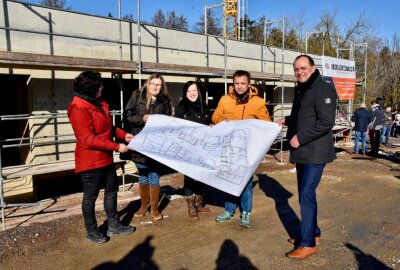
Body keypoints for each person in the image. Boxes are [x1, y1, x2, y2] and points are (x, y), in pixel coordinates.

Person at [277, 55, 337, 259]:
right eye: (296, 69)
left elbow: (326, 122)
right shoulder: (302, 87)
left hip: (316, 152)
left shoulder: (323, 87)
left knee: (306, 193)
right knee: (305, 196)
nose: (299, 72)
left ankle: (308, 243)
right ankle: (313, 233)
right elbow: (303, 113)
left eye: (303, 68)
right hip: (303, 153)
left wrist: (300, 138)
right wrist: (288, 119)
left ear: (312, 67)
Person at [67, 71, 135, 244]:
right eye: (99, 85)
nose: (102, 87)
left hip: (105, 157)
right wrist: (116, 146)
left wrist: (123, 135)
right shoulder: (78, 108)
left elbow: (108, 128)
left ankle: (114, 225)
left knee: (112, 191)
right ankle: (91, 230)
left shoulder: (99, 102)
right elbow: (87, 139)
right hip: (90, 161)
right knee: (90, 197)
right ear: (91, 89)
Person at [212, 70, 271, 228]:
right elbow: (215, 116)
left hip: (247, 149)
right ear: (233, 84)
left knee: (246, 182)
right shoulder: (225, 100)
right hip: (229, 147)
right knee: (229, 179)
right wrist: (221, 119)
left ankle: (246, 212)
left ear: (248, 84)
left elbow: (266, 123)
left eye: (242, 83)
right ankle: (229, 210)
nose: (239, 86)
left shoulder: (258, 102)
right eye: (236, 83)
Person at [124, 73, 172, 220]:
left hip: (156, 146)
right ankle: (144, 206)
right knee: (143, 176)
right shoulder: (137, 96)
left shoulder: (165, 101)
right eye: (153, 84)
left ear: (161, 87)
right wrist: (142, 118)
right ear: (148, 84)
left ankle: (155, 209)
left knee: (155, 177)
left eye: (158, 85)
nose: (155, 87)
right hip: (140, 143)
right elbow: (128, 117)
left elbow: (168, 122)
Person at [174, 81, 212, 219]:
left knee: (201, 175)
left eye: (194, 90)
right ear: (185, 93)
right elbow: (177, 129)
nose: (192, 93)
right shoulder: (180, 108)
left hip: (202, 147)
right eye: (189, 91)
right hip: (188, 148)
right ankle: (191, 207)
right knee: (190, 176)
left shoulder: (205, 107)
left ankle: (200, 203)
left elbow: (209, 124)